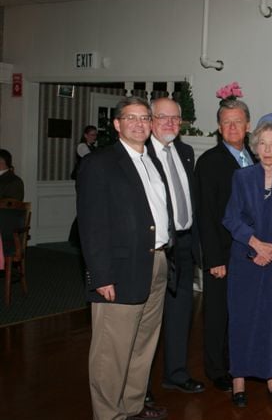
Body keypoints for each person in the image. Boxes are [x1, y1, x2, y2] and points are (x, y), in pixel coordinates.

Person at [77, 96, 173, 420]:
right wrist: (101, 276)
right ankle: (108, 415)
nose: (138, 124)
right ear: (117, 124)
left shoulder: (152, 161)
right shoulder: (99, 164)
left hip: (157, 263)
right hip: (118, 270)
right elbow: (91, 225)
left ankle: (132, 407)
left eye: (144, 118)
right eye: (131, 118)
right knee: (111, 351)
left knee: (143, 344)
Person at [222, 121, 272, 408]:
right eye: (262, 143)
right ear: (255, 148)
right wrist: (256, 245)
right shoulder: (241, 176)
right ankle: (238, 380)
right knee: (242, 317)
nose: (268, 149)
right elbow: (231, 218)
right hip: (246, 258)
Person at [195, 99, 256, 392]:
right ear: (219, 128)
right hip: (222, 254)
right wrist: (213, 259)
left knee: (242, 312)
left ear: (248, 125)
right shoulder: (209, 162)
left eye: (238, 121)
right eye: (226, 122)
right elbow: (205, 214)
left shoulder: (255, 157)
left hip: (250, 253)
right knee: (218, 314)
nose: (232, 127)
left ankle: (238, 363)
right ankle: (217, 369)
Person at [146, 98, 204, 396]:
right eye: (163, 117)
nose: (170, 123)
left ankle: (176, 373)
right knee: (146, 321)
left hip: (184, 245)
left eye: (175, 118)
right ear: (150, 120)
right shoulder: (141, 154)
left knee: (180, 312)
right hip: (156, 248)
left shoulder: (185, 152)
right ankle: (139, 388)